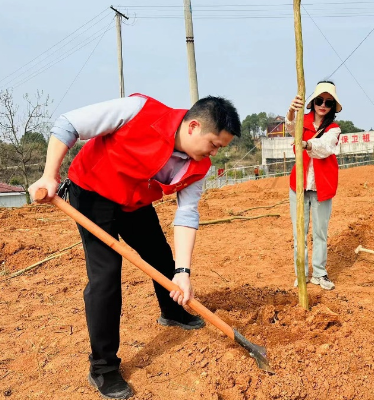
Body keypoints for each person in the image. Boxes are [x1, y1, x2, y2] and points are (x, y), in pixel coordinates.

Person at [28, 93, 241, 399]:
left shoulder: (198, 166)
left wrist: (183, 273)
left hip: (134, 201)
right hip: (93, 194)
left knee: (159, 255)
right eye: (214, 144)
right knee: (106, 277)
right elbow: (68, 124)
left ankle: (174, 312)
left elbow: (186, 214)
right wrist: (49, 175)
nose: (215, 153)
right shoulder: (139, 111)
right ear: (194, 126)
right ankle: (103, 368)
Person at [286, 81, 342, 290]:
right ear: (313, 102)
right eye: (319, 100)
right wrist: (292, 110)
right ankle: (302, 273)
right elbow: (291, 127)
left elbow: (325, 147)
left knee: (320, 232)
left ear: (333, 107)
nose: (323, 105)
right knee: (299, 232)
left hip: (322, 187)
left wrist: (307, 144)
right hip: (298, 186)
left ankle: (320, 272)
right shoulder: (302, 119)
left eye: (328, 102)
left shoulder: (333, 130)